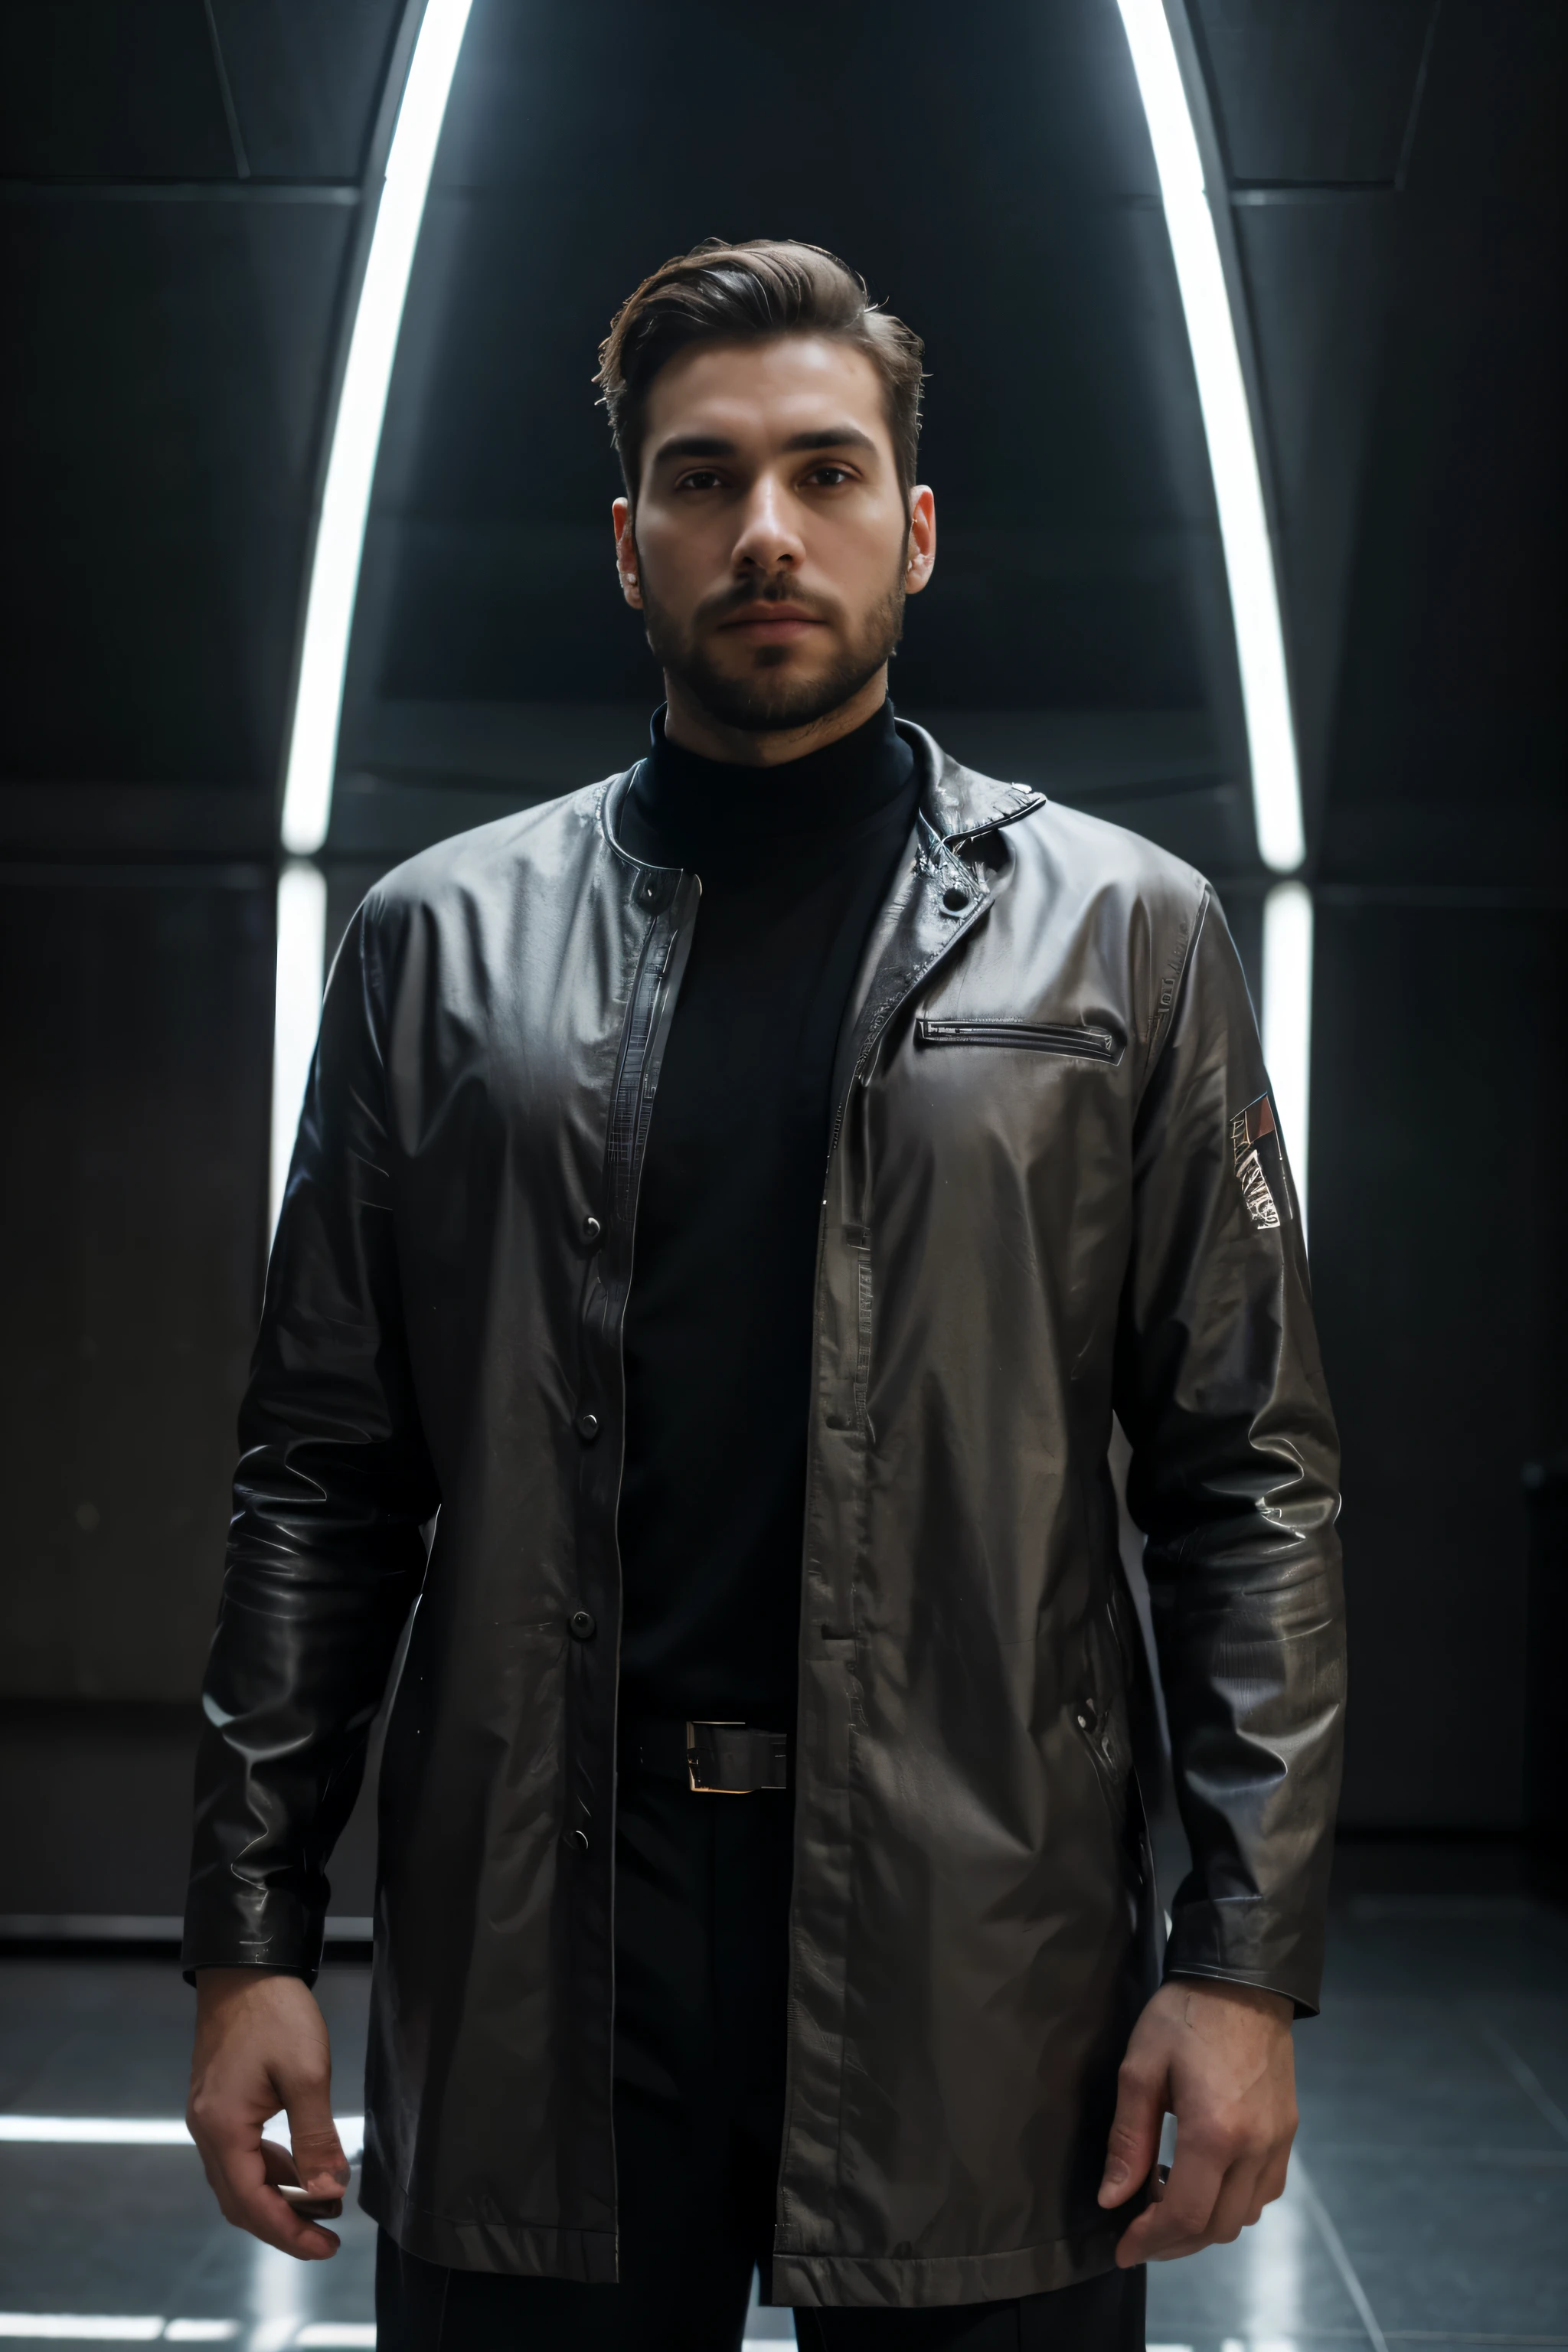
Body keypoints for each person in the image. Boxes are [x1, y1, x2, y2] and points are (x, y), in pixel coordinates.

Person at [183, 240, 1344, 2351]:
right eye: (705, 481)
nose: (767, 531)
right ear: (631, 547)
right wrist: (246, 1939)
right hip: (547, 1948)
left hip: (979, 1952)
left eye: (825, 472)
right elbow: (320, 1480)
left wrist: (1243, 1961)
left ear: (915, 528)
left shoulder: (1128, 944)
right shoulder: (435, 952)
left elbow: (1246, 1480)